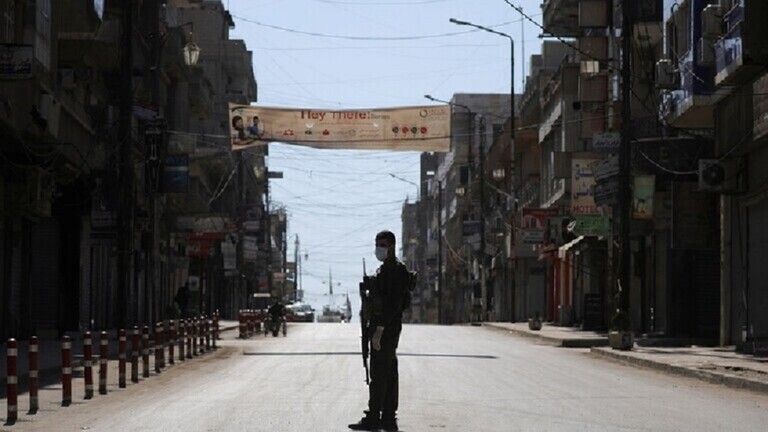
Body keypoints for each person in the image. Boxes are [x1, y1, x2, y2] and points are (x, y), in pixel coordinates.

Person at [349, 230, 411, 431]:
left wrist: (380, 329)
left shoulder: (396, 270)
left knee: (379, 371)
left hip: (387, 326)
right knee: (388, 370)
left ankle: (375, 415)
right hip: (382, 325)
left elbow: (394, 303)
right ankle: (387, 415)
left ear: (392, 246)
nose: (379, 249)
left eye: (382, 245)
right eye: (377, 245)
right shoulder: (384, 270)